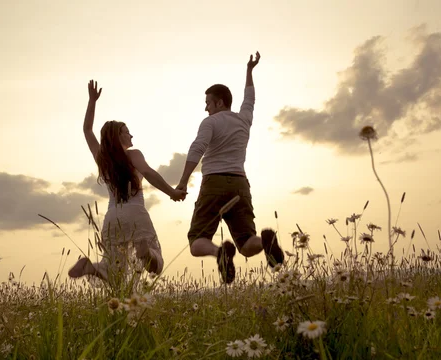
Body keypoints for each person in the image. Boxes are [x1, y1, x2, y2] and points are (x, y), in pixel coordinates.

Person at [176, 51, 284, 284]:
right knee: (246, 244)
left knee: (196, 241)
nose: (206, 108)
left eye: (208, 103)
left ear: (220, 102)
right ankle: (265, 242)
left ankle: (219, 253)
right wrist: (249, 71)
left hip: (214, 183)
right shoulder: (243, 119)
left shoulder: (210, 122)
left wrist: (183, 181)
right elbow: (250, 99)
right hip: (239, 183)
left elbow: (197, 149)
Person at [68, 80, 187, 284]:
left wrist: (92, 101)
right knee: (155, 264)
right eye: (127, 132)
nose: (131, 135)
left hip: (112, 217)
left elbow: (87, 130)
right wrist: (172, 193)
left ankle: (90, 267)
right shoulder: (133, 155)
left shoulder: (102, 159)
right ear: (119, 137)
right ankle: (145, 252)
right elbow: (149, 173)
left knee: (113, 271)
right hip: (135, 213)